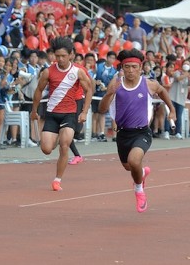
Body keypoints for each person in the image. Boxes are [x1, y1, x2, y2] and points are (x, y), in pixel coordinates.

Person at [97, 49, 176, 213]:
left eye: (134, 67)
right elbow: (102, 109)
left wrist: (172, 109)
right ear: (122, 68)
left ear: (140, 68)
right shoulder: (116, 85)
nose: (131, 70)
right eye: (127, 67)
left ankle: (139, 190)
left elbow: (162, 91)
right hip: (123, 133)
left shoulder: (148, 84)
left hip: (142, 132)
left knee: (134, 161)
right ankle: (141, 173)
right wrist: (109, 93)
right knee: (129, 167)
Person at [30, 37, 93, 192]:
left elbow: (89, 90)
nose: (60, 59)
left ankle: (57, 180)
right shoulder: (48, 71)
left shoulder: (77, 71)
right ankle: (57, 135)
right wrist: (34, 110)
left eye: (63, 56)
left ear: (71, 55)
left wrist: (84, 111)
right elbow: (38, 90)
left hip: (69, 114)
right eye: (57, 56)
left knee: (65, 145)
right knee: (46, 149)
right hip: (52, 113)